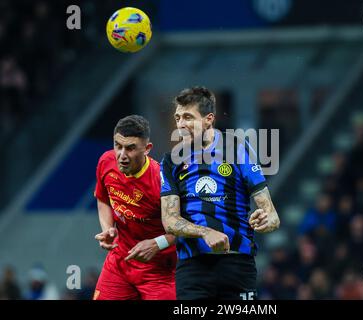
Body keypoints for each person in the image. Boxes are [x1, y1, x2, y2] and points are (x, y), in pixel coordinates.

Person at [160, 86, 280, 300]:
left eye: (188, 117)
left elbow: (272, 216)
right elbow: (170, 221)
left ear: (209, 119)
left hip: (237, 267)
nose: (180, 125)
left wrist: (264, 220)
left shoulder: (237, 150)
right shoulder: (171, 161)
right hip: (192, 269)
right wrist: (205, 232)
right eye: (178, 118)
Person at [93, 115, 177, 300]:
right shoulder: (106, 162)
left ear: (147, 149)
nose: (122, 155)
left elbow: (184, 228)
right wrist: (108, 229)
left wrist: (157, 244)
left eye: (130, 148)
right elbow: (103, 199)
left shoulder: (162, 181)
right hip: (120, 263)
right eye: (118, 145)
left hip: (159, 272)